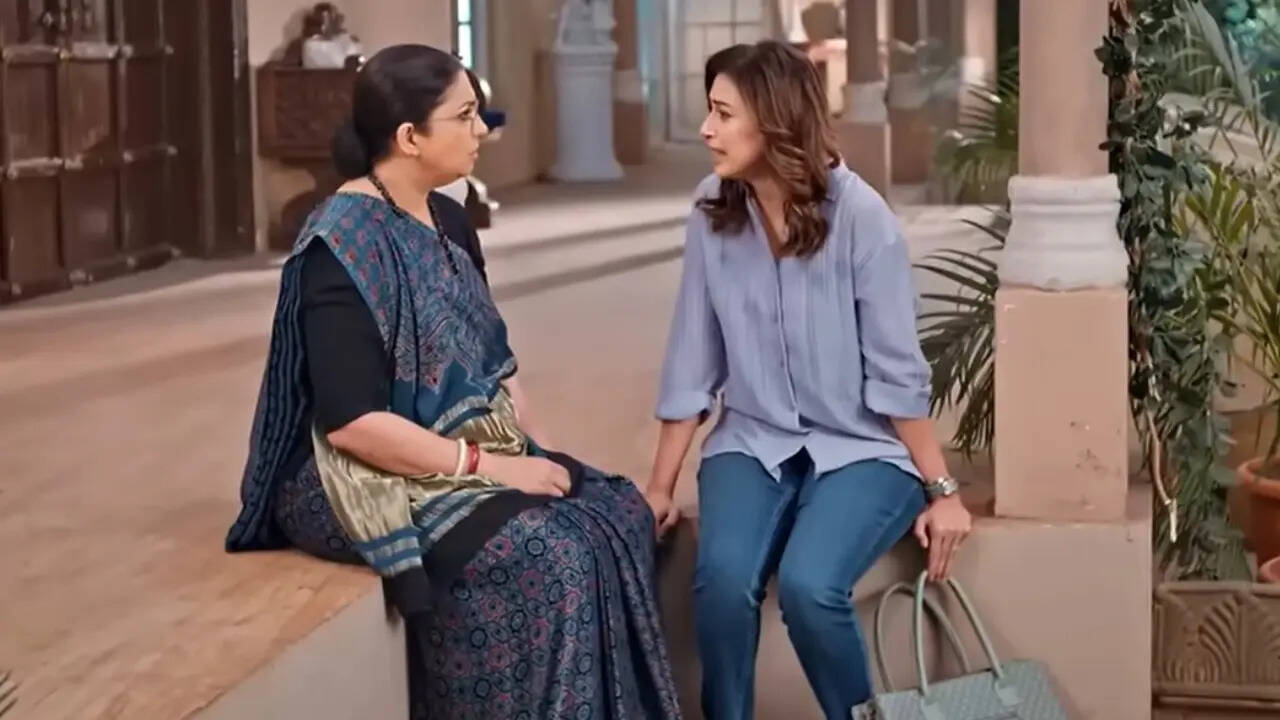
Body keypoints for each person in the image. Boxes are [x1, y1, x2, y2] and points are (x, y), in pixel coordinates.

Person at [225, 45, 681, 720]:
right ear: (409, 137)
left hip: (462, 443)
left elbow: (495, 361)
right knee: (554, 554)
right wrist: (493, 469)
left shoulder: (450, 217)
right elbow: (352, 423)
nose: (481, 131)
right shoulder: (341, 244)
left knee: (618, 510)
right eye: (465, 116)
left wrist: (535, 454)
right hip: (357, 471)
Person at [643, 41, 973, 720]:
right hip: (752, 437)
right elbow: (692, 358)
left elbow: (898, 374)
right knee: (722, 583)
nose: (706, 129)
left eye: (723, 114)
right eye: (709, 111)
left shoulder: (863, 219)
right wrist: (659, 488)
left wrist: (942, 490)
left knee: (810, 586)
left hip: (864, 447)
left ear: (775, 120)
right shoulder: (712, 209)